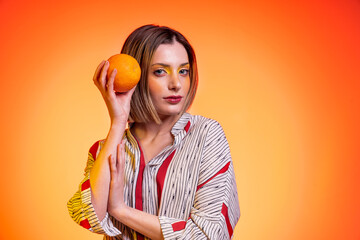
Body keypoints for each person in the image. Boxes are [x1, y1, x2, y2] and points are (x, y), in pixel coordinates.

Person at [67, 24, 240, 240]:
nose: (176, 84)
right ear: (137, 77)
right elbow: (88, 215)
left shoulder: (206, 135)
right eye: (160, 71)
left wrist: (121, 210)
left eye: (183, 71)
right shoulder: (106, 149)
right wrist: (118, 122)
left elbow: (209, 235)